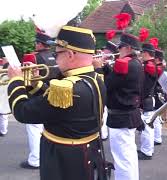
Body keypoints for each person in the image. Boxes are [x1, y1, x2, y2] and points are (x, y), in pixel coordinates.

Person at [7, 26, 110, 180]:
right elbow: (60, 105)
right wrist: (35, 84)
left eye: (57, 53)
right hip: (87, 152)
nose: (55, 57)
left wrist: (15, 80)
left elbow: (23, 112)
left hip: (62, 159)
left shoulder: (69, 88)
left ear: (70, 54)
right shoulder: (96, 78)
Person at [105, 33, 144, 180]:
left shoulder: (125, 63)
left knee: (122, 160)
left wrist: (97, 69)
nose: (118, 49)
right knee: (129, 156)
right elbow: (119, 82)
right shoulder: (136, 63)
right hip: (128, 113)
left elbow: (107, 85)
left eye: (120, 47)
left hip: (120, 115)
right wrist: (106, 67)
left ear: (128, 48)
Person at [18, 31, 57, 169]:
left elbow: (27, 81)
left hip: (36, 96)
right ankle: (46, 156)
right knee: (47, 130)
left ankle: (35, 159)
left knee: (34, 130)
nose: (35, 45)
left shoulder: (34, 58)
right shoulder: (54, 56)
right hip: (51, 94)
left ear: (40, 44)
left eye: (36, 42)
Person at [138, 43, 158, 160]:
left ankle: (147, 152)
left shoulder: (149, 65)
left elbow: (144, 86)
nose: (140, 55)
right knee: (147, 127)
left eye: (142, 53)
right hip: (148, 99)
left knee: (146, 127)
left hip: (147, 99)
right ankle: (146, 149)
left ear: (145, 53)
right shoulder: (148, 65)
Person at [153, 49, 165, 145]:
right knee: (156, 117)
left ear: (157, 59)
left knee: (155, 117)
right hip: (158, 93)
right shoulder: (161, 67)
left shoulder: (159, 68)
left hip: (157, 93)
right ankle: (157, 137)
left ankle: (157, 138)